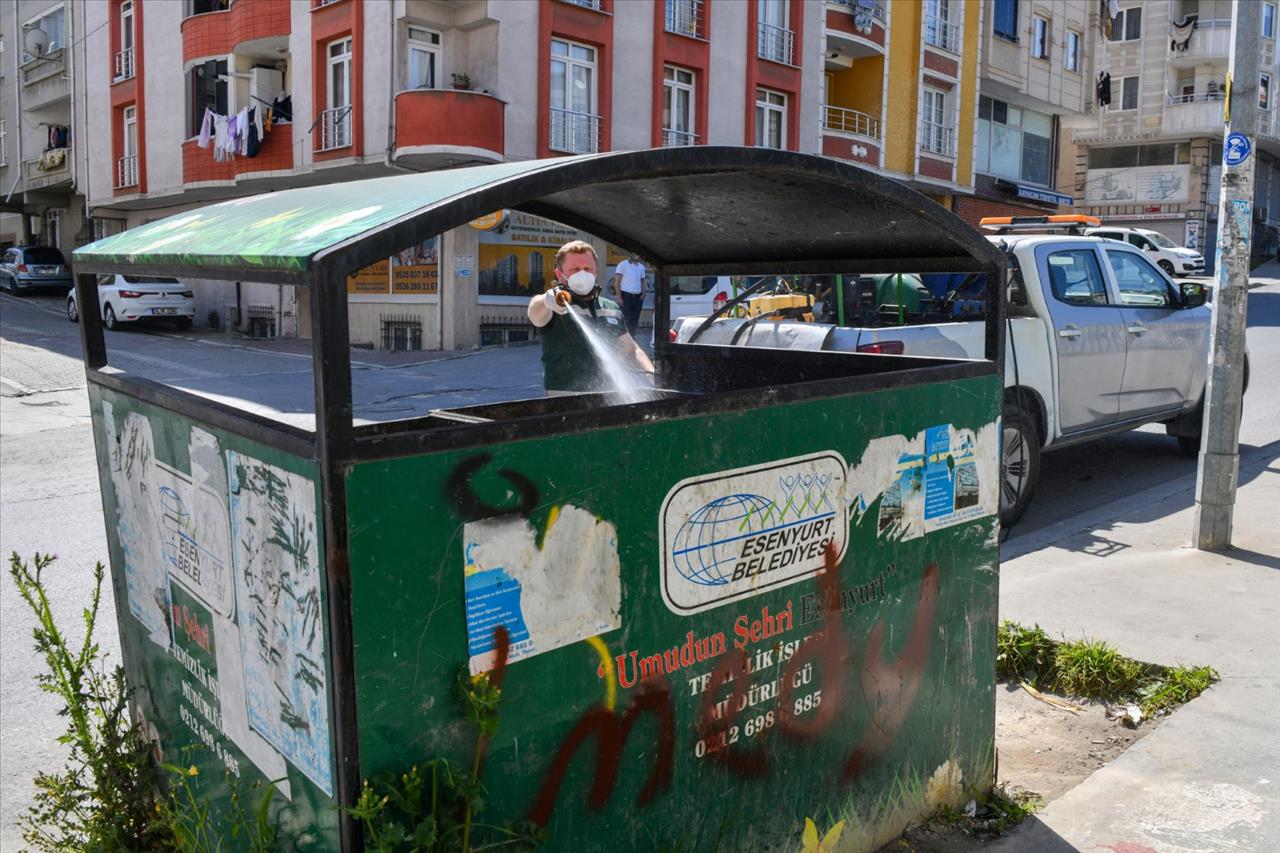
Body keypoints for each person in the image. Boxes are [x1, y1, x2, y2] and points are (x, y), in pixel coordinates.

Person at [527, 240, 654, 395]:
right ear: (560, 274)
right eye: (575, 269)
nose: (583, 274)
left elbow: (630, 349)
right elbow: (534, 313)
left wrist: (650, 374)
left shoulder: (610, 307)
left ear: (596, 272)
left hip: (608, 395)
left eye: (587, 269)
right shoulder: (555, 305)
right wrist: (545, 300)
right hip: (564, 399)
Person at [611, 252, 647, 335]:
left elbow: (642, 281)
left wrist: (644, 293)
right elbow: (617, 283)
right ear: (630, 254)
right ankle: (624, 341)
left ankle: (632, 340)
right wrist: (619, 297)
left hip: (638, 297)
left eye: (637, 253)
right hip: (625, 296)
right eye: (634, 253)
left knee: (635, 321)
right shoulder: (622, 265)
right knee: (625, 320)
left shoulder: (641, 267)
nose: (636, 255)